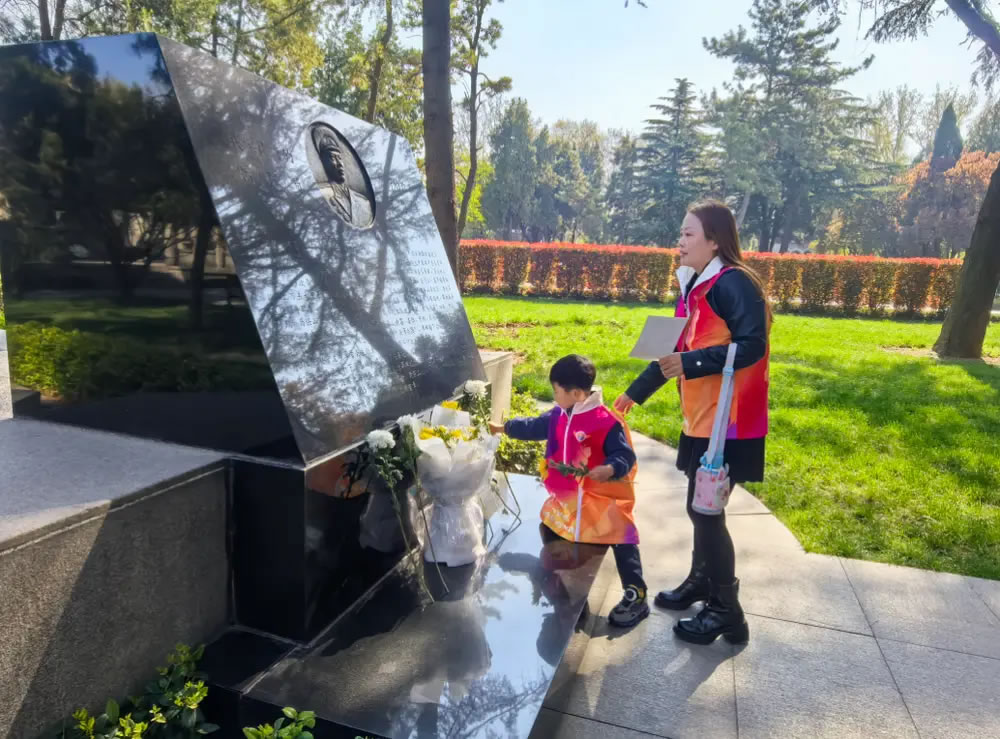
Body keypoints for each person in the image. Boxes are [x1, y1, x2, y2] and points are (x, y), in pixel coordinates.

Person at [615, 200, 770, 646]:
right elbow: (672, 353)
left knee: (706, 511)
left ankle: (727, 611)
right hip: (701, 420)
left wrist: (692, 361)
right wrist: (634, 394)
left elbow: (753, 346)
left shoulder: (734, 283)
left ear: (714, 241)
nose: (679, 242)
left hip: (730, 424)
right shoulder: (692, 286)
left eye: (688, 234)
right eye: (680, 233)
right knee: (700, 510)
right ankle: (703, 582)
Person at [490, 354, 648, 627]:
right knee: (549, 528)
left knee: (621, 537)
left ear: (575, 393)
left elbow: (625, 455)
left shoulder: (606, 422)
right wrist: (505, 428)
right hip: (567, 499)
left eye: (556, 391)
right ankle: (562, 584)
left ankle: (636, 594)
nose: (554, 396)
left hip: (602, 498)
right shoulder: (559, 415)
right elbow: (534, 426)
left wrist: (610, 468)